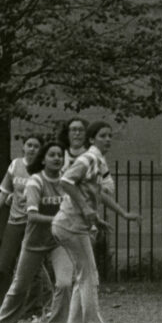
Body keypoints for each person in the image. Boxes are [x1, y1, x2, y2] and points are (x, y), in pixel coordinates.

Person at [53, 121, 141, 323]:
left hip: (74, 223)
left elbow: (97, 193)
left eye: (110, 135)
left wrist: (121, 213)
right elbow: (66, 181)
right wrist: (84, 208)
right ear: (91, 139)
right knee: (90, 277)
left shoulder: (98, 160)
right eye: (103, 135)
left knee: (84, 277)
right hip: (70, 223)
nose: (108, 139)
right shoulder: (88, 158)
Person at [0, 141, 74, 323]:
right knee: (20, 285)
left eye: (60, 155)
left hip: (58, 240)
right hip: (34, 241)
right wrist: (60, 219)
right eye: (52, 155)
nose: (57, 158)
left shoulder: (66, 183)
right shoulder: (35, 182)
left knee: (65, 283)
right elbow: (32, 216)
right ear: (43, 159)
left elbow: (74, 208)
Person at [0, 134, 52, 322]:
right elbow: (4, 192)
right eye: (29, 145)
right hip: (14, 221)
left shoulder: (44, 170)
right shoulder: (15, 165)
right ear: (23, 147)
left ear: (40, 150)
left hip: (34, 223)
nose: (32, 149)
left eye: (36, 146)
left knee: (34, 268)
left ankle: (32, 311)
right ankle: (0, 312)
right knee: (3, 266)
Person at [59, 117, 112, 280]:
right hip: (60, 214)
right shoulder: (58, 155)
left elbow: (108, 186)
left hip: (84, 218)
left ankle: (78, 302)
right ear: (67, 133)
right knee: (66, 274)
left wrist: (89, 190)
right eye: (73, 129)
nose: (76, 133)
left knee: (82, 272)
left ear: (87, 135)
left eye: (80, 130)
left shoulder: (94, 159)